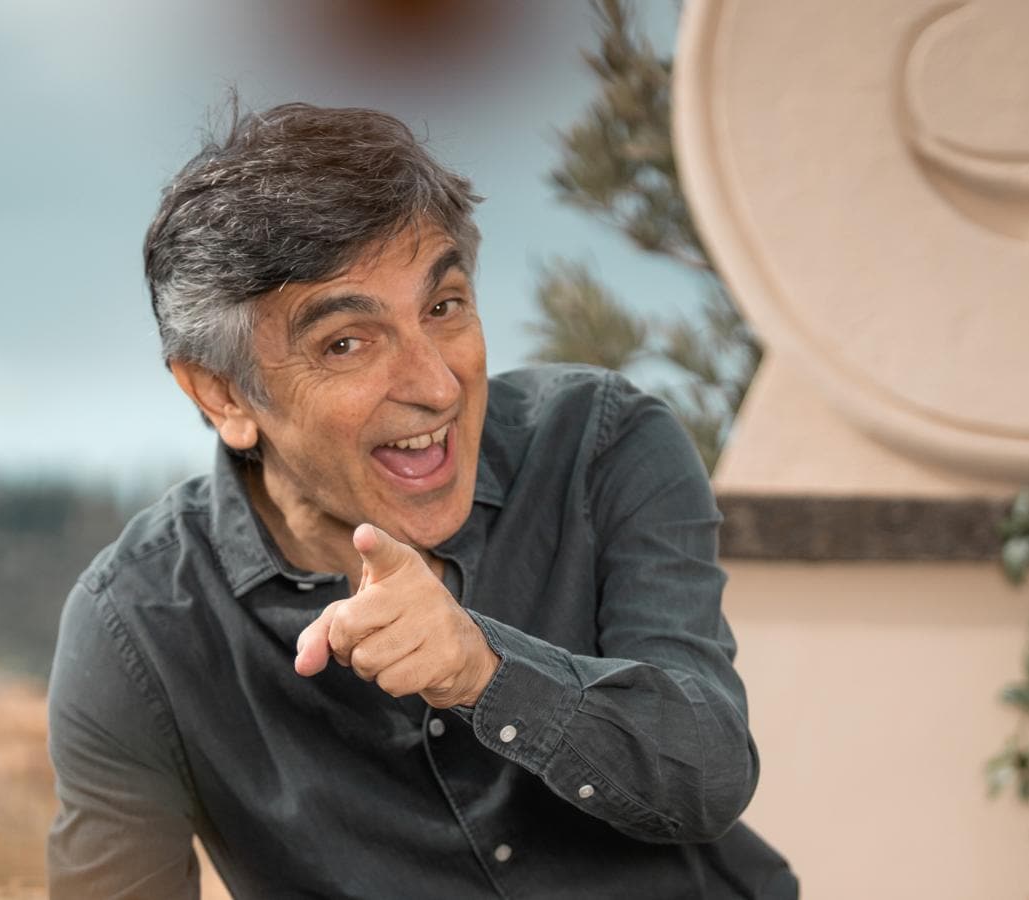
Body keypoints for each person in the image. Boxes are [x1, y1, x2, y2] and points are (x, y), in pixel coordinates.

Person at [46, 101, 796, 899]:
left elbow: (709, 772)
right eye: (346, 343)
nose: (437, 386)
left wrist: (487, 670)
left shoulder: (603, 446)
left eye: (443, 308)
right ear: (222, 394)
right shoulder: (136, 629)